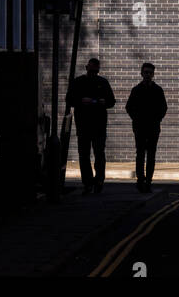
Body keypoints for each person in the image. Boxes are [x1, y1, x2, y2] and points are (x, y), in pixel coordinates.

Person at [65, 56, 116, 194]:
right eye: (91, 70)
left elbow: (112, 101)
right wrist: (82, 100)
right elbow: (69, 99)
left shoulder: (103, 82)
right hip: (83, 125)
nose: (93, 73)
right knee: (84, 155)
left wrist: (103, 102)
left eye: (95, 71)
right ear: (87, 68)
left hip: (98, 125)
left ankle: (98, 180)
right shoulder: (78, 82)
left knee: (98, 154)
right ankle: (88, 182)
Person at [125, 62, 168, 192]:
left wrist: (157, 119)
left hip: (153, 127)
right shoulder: (136, 90)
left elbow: (163, 108)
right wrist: (137, 120)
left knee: (151, 155)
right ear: (141, 73)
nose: (147, 75)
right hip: (140, 127)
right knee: (140, 154)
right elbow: (129, 107)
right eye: (145, 72)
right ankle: (140, 179)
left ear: (153, 74)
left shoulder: (158, 90)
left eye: (150, 72)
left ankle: (148, 180)